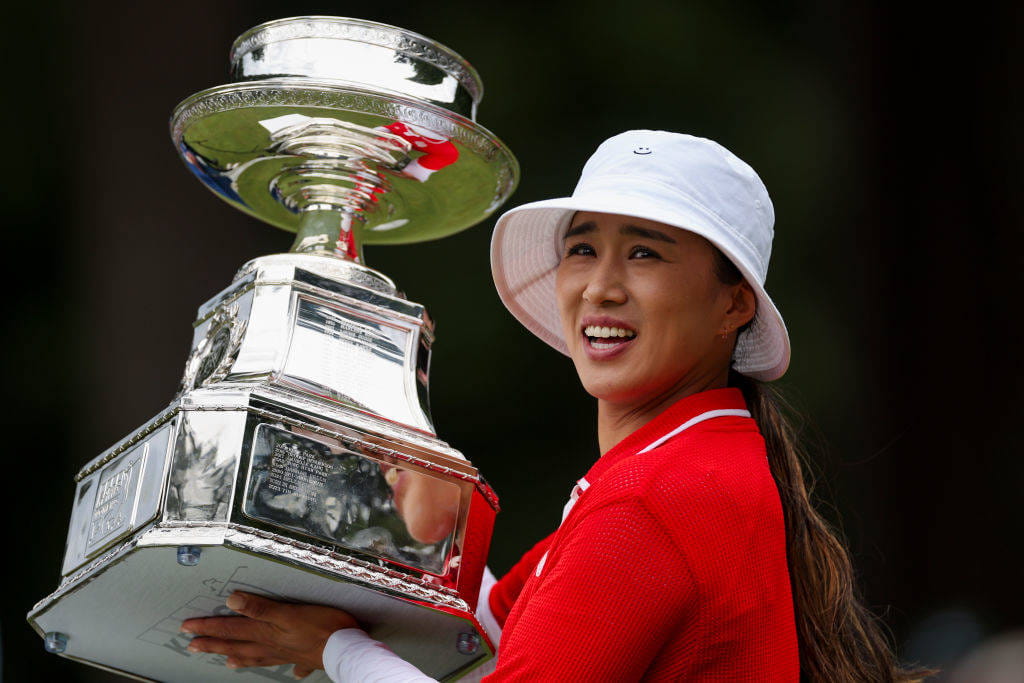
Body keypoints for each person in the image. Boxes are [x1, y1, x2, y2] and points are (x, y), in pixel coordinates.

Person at [181, 130, 929, 681]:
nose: (600, 286)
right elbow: (498, 640)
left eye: (645, 252)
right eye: (582, 248)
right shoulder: (684, 465)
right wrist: (431, 530)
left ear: (733, 303)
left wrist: (335, 650)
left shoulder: (652, 499)